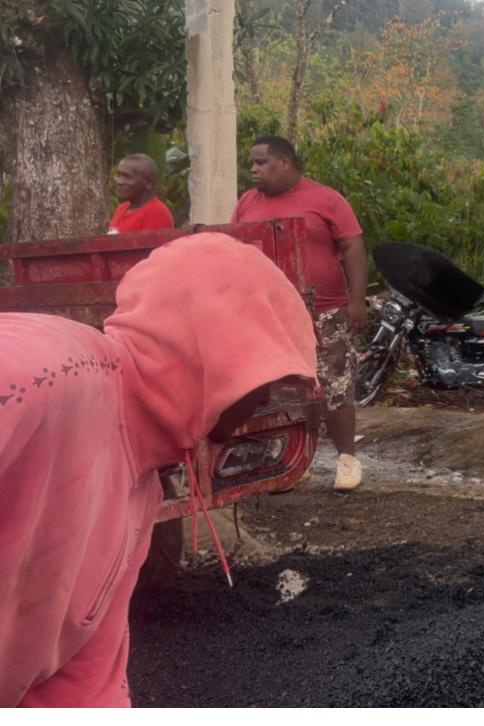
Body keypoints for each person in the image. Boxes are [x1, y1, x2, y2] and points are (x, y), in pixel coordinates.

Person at [0, 233, 318, 706]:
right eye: (265, 370)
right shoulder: (48, 374)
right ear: (215, 344)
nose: (266, 397)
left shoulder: (140, 494)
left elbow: (84, 682)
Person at [231, 135, 368, 491]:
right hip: (268, 314)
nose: (253, 170)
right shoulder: (247, 202)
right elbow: (235, 251)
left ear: (285, 163)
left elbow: (353, 247)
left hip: (323, 311)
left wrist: (356, 300)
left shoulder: (326, 199)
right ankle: (293, 462)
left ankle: (347, 460)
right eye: (251, 163)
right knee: (279, 389)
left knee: (334, 385)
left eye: (261, 162)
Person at [107, 154, 174, 234]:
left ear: (148, 183)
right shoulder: (121, 208)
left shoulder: (156, 213)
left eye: (127, 177)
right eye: (119, 175)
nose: (119, 181)